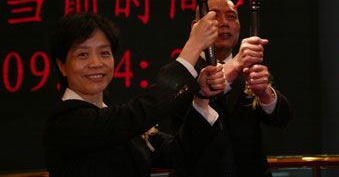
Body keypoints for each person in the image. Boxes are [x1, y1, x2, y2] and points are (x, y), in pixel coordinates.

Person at [43, 11, 226, 177]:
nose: (96, 63)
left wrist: (201, 99)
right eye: (83, 55)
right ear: (62, 66)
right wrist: (194, 46)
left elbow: (177, 153)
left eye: (104, 53)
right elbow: (142, 111)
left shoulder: (118, 119)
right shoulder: (65, 121)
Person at [168, 0, 291, 177]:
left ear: (239, 26)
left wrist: (265, 94)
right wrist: (236, 65)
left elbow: (282, 119)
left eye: (231, 17)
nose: (224, 23)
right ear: (196, 27)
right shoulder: (181, 73)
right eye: (214, 15)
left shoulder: (249, 71)